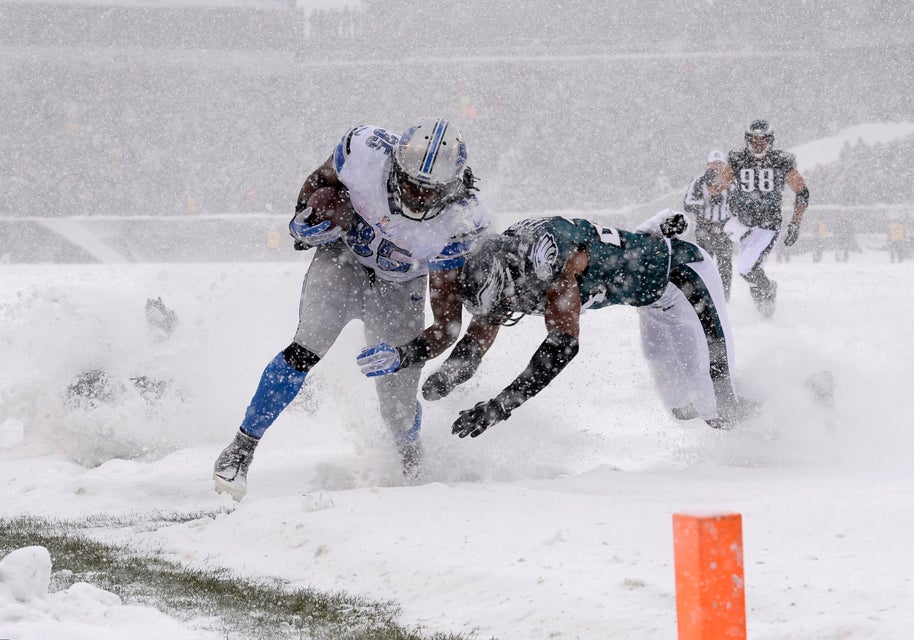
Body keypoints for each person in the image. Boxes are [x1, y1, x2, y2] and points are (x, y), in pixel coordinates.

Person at [213, 119, 489, 500]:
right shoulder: (367, 151)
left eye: (430, 190)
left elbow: (447, 324)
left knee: (398, 407)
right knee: (306, 345)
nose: (417, 196)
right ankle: (241, 448)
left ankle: (411, 459)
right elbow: (320, 182)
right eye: (410, 182)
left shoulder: (460, 221)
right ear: (394, 163)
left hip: (400, 285)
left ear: (452, 185)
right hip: (343, 259)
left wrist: (404, 354)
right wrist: (301, 221)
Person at [358, 211, 754, 437]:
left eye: (501, 302)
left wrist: (499, 407)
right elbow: (479, 337)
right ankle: (649, 230)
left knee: (717, 409)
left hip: (681, 278)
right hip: (648, 300)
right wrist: (442, 380)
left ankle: (784, 418)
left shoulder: (550, 262)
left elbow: (563, 347)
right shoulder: (506, 268)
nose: (501, 311)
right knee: (681, 407)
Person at [717, 119, 809, 318]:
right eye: (754, 140)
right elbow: (718, 187)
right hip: (744, 225)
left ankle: (768, 293)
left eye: (763, 140)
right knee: (751, 268)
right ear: (747, 140)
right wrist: (720, 188)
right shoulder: (738, 159)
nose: (758, 144)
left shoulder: (781, 161)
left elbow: (802, 192)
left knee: (746, 268)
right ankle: (764, 312)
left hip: (768, 226)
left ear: (771, 140)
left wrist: (795, 223)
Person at [683, 149, 735, 300]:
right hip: (704, 227)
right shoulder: (699, 181)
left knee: (725, 266)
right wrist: (706, 202)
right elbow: (687, 203)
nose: (717, 167)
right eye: (714, 164)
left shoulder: (731, 182)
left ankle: (725, 299)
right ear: (708, 164)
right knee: (704, 264)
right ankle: (706, 297)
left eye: (720, 164)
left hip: (724, 228)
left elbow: (738, 205)